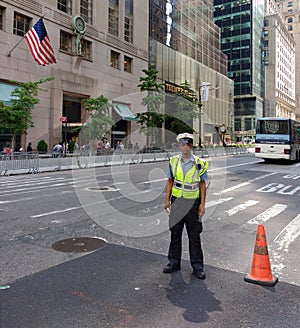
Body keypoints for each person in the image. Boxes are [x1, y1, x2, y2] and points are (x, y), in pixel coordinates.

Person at [163, 133, 209, 279]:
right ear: (179, 146)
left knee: (194, 236)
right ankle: (174, 262)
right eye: (182, 144)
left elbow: (202, 185)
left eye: (187, 144)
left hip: (193, 203)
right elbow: (170, 181)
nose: (185, 147)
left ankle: (197, 266)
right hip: (177, 202)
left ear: (191, 145)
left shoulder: (199, 163)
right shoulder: (173, 161)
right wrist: (167, 201)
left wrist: (202, 204)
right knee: (175, 233)